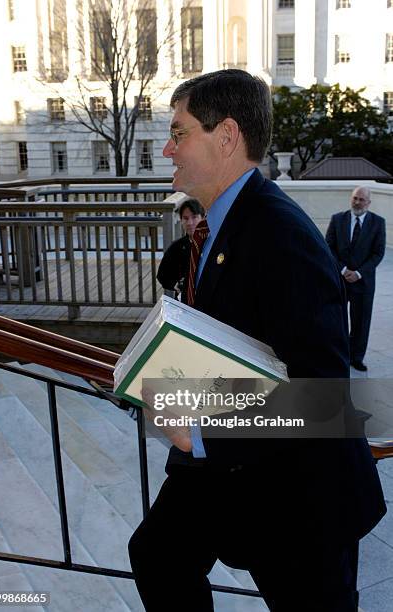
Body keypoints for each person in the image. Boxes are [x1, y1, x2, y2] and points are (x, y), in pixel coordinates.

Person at [128, 70, 386, 612]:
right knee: (157, 554)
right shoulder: (223, 224)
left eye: (179, 133)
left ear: (226, 136)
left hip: (298, 491)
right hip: (236, 464)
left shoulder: (280, 235)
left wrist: (200, 433)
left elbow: (321, 395)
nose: (167, 150)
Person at [326, 186, 386, 372]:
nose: (357, 202)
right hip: (340, 279)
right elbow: (328, 247)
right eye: (355, 198)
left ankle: (356, 357)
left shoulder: (378, 223)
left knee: (361, 321)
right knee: (338, 319)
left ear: (368, 203)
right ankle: (339, 354)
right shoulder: (338, 219)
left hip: (364, 282)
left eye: (361, 200)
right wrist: (343, 270)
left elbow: (378, 253)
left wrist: (358, 273)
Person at [156, 198, 204, 299]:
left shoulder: (210, 243)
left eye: (194, 217)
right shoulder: (177, 247)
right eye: (185, 218)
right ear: (181, 220)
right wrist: (176, 285)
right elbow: (162, 275)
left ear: (203, 218)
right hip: (184, 300)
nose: (190, 223)